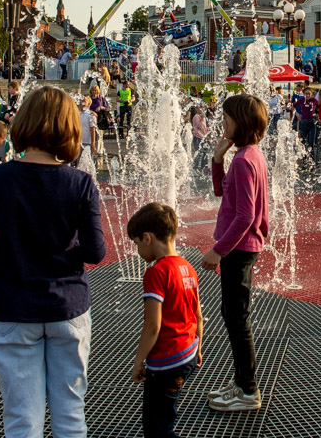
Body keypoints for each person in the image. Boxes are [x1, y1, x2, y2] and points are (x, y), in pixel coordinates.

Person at [0, 86, 106, 436]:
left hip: (12, 306)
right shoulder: (81, 183)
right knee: (71, 416)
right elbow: (95, 251)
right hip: (67, 305)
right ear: (69, 129)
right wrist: (57, 252)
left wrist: (11, 250)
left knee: (21, 420)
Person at [202, 94, 269, 413]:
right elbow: (221, 192)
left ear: (241, 122)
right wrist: (218, 159)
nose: (222, 123)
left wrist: (218, 250)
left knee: (237, 319)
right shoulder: (247, 155)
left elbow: (245, 216)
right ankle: (242, 382)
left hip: (238, 249)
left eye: (226, 119)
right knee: (232, 315)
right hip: (241, 248)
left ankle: (248, 390)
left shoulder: (244, 161)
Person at [127, 203, 203, 438]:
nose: (137, 250)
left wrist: (139, 361)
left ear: (147, 238)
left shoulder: (156, 272)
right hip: (187, 353)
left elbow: (152, 326)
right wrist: (198, 346)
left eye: (136, 243)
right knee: (165, 413)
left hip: (166, 361)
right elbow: (198, 315)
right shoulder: (187, 267)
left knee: (157, 428)